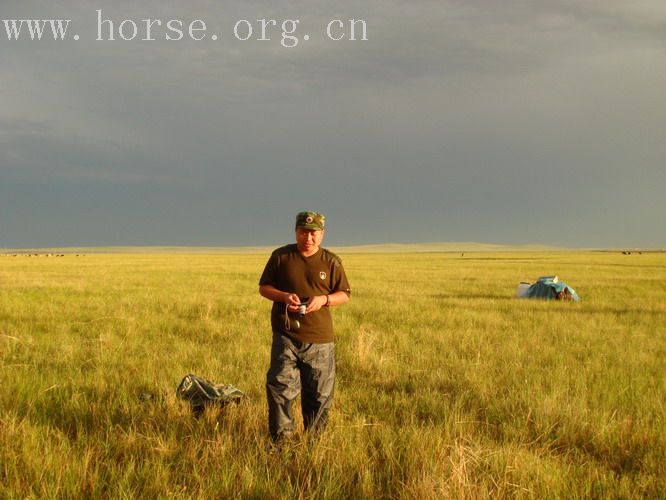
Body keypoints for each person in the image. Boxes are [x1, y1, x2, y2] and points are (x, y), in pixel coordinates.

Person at [259, 211, 351, 442]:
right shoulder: (281, 257)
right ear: (296, 232)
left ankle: (315, 443)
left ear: (322, 234)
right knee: (280, 390)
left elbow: (344, 294)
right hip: (285, 335)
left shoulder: (331, 261)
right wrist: (284, 297)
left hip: (319, 339)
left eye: (313, 233)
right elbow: (264, 287)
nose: (307, 237)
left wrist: (323, 300)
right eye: (303, 232)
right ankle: (282, 443)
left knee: (319, 395)